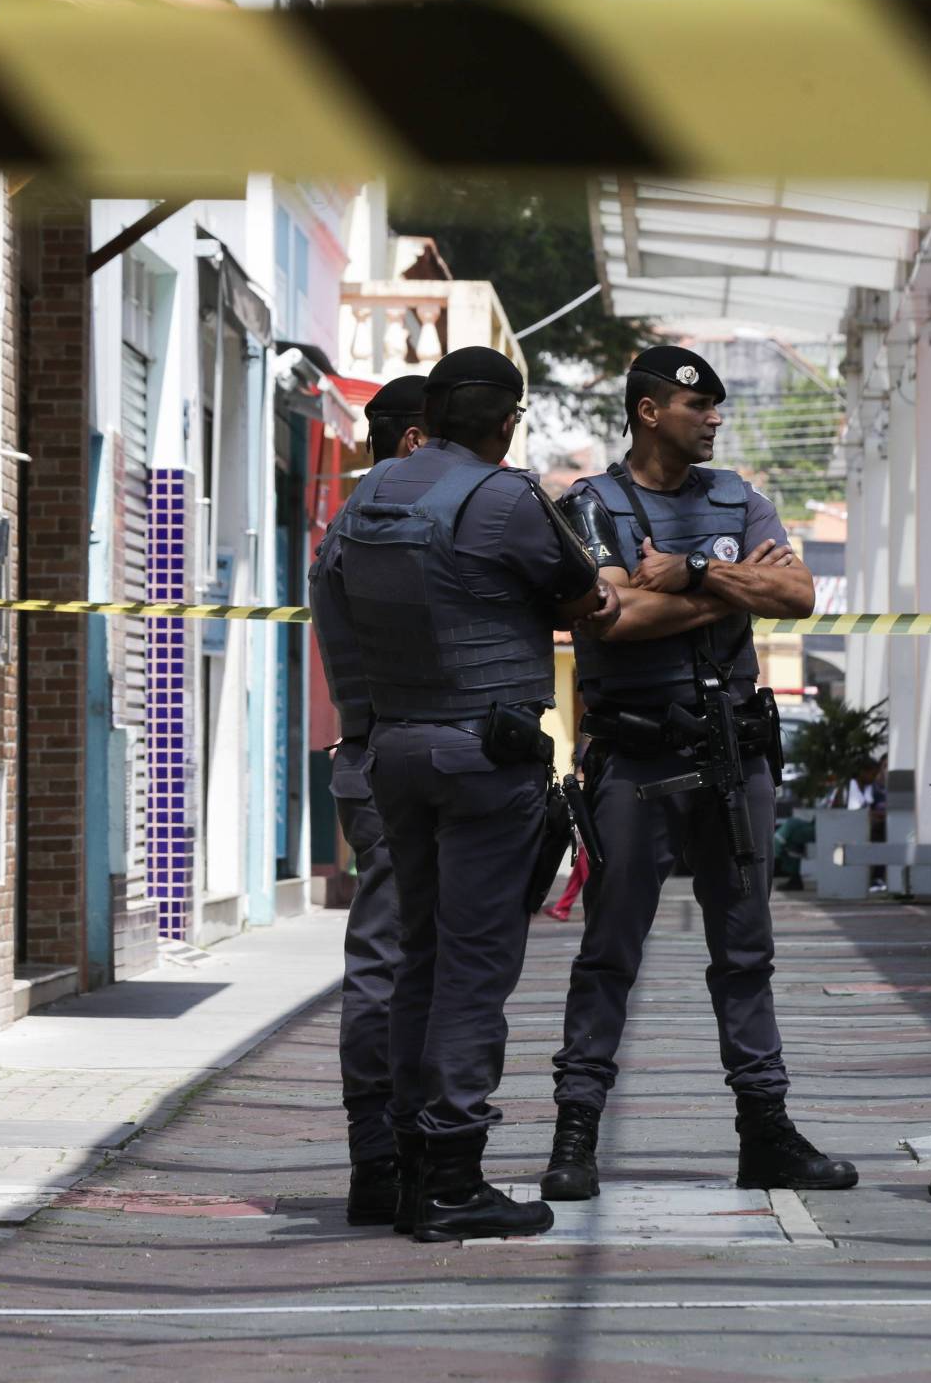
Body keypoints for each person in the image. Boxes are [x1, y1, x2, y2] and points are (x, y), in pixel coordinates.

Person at [542, 345, 860, 1203]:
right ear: (650, 411)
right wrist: (735, 586)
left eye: (717, 406)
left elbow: (798, 599)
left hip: (734, 758)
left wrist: (691, 572)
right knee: (609, 953)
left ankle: (767, 1133)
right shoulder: (593, 504)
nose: (714, 418)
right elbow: (613, 617)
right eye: (698, 405)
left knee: (745, 953)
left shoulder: (740, 497)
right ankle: (575, 1136)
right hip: (634, 760)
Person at [315, 346, 618, 1243]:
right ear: (506, 420)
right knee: (475, 967)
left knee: (418, 958)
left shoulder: (368, 495)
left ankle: (405, 1166)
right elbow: (585, 597)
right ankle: (454, 1178)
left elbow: (332, 599)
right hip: (484, 756)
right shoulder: (504, 497)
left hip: (392, 753)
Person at [309, 373, 428, 1227]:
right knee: (406, 968)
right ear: (419, 441)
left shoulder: (345, 526)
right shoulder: (406, 524)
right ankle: (399, 1156)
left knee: (386, 966)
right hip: (409, 768)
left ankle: (383, 1156)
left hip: (374, 761)